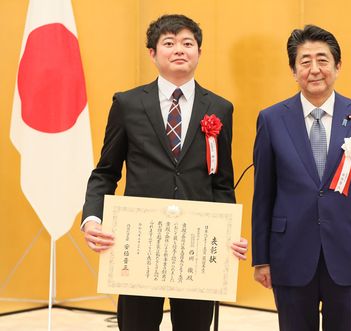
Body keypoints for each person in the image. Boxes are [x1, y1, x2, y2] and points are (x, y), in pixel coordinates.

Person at [81, 14, 247, 331]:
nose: (179, 50)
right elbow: (105, 172)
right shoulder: (128, 104)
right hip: (141, 242)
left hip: (197, 245)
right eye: (168, 43)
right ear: (152, 53)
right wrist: (93, 219)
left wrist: (227, 231)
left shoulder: (220, 108)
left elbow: (222, 182)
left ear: (199, 51)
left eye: (188, 43)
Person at [251, 25, 351, 331]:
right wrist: (261, 258)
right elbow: (263, 194)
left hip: (350, 251)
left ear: (338, 66)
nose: (314, 69)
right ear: (293, 70)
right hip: (289, 252)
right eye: (304, 61)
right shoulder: (272, 119)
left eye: (323, 60)